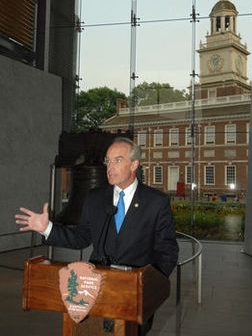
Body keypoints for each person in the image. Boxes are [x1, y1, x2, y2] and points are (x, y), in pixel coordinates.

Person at [15, 137, 179, 335]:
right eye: (108, 161)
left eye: (117, 160)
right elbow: (81, 238)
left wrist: (152, 285)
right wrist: (47, 228)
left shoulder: (156, 202)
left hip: (134, 293)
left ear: (134, 164)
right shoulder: (95, 198)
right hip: (93, 288)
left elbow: (167, 251)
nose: (110, 166)